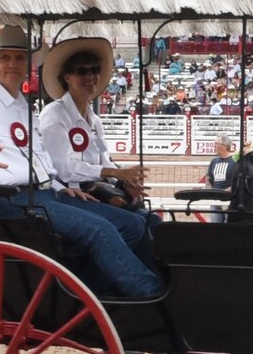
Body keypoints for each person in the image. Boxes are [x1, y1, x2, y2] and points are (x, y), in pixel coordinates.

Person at [0, 25, 163, 299]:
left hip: (43, 194)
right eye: (5, 57)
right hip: (10, 200)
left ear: (28, 64)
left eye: (20, 57)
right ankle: (148, 294)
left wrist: (60, 187)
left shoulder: (22, 105)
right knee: (101, 230)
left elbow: (39, 159)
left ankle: (93, 292)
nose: (13, 64)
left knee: (130, 225)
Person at [38, 37, 161, 235]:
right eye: (82, 71)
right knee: (135, 224)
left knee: (153, 220)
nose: (91, 76)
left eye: (95, 70)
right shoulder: (54, 115)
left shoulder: (93, 119)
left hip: (94, 190)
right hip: (68, 193)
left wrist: (126, 182)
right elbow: (64, 169)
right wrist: (115, 174)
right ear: (67, 76)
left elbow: (104, 159)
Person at [204, 133, 237, 222]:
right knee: (215, 228)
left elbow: (237, 181)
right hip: (215, 202)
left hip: (229, 202)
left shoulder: (235, 161)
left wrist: (224, 193)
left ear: (224, 146)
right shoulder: (214, 161)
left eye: (216, 143)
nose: (214, 146)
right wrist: (211, 192)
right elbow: (208, 178)